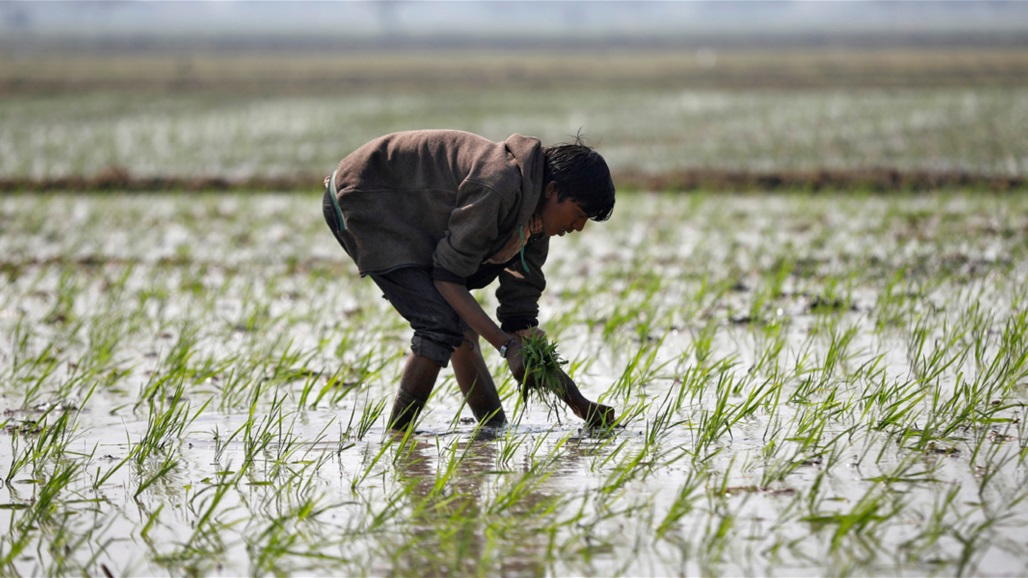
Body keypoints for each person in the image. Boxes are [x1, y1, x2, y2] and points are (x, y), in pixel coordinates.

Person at [322, 129, 615, 431]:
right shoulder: (499, 186)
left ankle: (493, 428)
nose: (579, 227)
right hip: (365, 193)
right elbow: (447, 279)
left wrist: (580, 404)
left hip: (412, 213)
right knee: (438, 324)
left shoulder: (536, 225)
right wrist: (506, 347)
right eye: (579, 213)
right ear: (552, 190)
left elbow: (520, 323)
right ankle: (398, 437)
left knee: (460, 325)